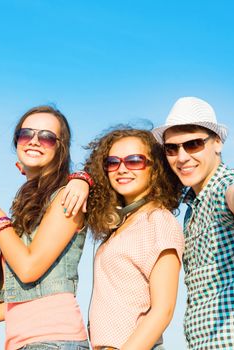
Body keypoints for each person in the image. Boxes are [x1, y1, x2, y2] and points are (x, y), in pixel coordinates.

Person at [152, 96, 234, 348]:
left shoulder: (224, 185)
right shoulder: (192, 203)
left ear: (217, 143)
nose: (181, 157)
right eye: (171, 148)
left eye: (193, 144)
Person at [0, 105, 90, 349]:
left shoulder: (66, 197)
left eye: (47, 137)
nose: (35, 141)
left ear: (61, 148)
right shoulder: (23, 214)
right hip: (26, 342)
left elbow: (28, 268)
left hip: (53, 340)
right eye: (26, 134)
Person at [84, 127, 183, 349]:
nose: (122, 169)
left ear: (155, 169)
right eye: (113, 162)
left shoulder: (158, 221)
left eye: (134, 161)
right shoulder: (124, 224)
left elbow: (163, 310)